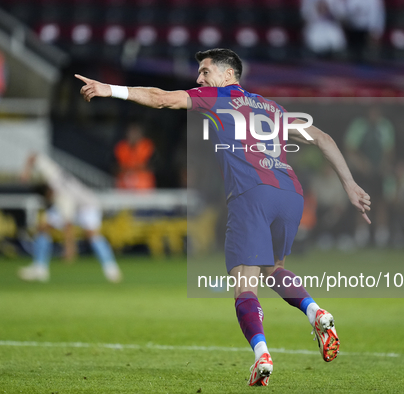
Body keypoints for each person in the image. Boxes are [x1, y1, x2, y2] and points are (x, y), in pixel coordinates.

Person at [75, 48, 370, 386]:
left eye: (205, 71)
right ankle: (316, 311)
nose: (199, 79)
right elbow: (323, 138)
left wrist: (109, 89)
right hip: (290, 193)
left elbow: (160, 99)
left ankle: (262, 355)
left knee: (245, 284)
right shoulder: (270, 107)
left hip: (251, 194)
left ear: (228, 75)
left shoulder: (216, 97)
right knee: (274, 270)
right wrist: (350, 184)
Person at [18, 153, 122, 283]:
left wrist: (69, 249)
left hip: (87, 205)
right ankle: (40, 269)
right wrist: (26, 172)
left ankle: (111, 268)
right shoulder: (52, 173)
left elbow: (68, 225)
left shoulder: (62, 198)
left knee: (91, 235)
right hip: (74, 202)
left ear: (48, 193)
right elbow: (33, 156)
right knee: (43, 227)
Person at [344, 106, 394, 248]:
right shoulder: (358, 126)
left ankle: (381, 236)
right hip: (362, 172)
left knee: (381, 202)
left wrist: (384, 166)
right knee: (361, 203)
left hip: (379, 171)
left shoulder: (385, 126)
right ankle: (361, 235)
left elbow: (389, 150)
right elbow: (350, 148)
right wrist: (362, 164)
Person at [113, 123, 156, 189]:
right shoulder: (121, 147)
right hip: (124, 184)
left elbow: (150, 166)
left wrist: (132, 167)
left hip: (143, 185)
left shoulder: (147, 146)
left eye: (135, 133)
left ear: (141, 135)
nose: (133, 136)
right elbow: (116, 167)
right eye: (131, 133)